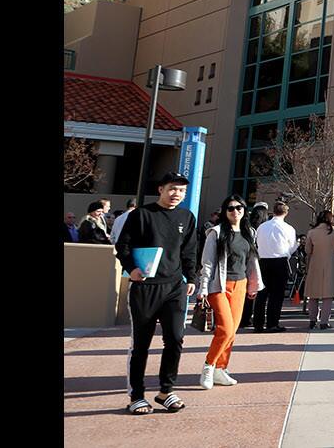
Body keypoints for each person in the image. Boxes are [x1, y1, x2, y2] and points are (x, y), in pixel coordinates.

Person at [114, 173, 198, 415]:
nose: (176, 195)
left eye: (181, 191)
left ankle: (166, 391)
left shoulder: (186, 217)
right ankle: (136, 396)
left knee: (175, 339)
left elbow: (190, 251)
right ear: (161, 189)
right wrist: (132, 269)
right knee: (141, 344)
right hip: (145, 287)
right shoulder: (141, 215)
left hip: (174, 288)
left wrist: (191, 278)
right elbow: (123, 246)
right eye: (172, 189)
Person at [197, 196, 262, 389]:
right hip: (219, 285)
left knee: (232, 332)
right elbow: (207, 262)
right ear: (225, 212)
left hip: (240, 285)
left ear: (244, 210)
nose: (235, 211)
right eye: (231, 208)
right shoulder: (216, 233)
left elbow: (251, 261)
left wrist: (253, 285)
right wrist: (202, 287)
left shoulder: (249, 232)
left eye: (239, 208)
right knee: (224, 330)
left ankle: (221, 369)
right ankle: (209, 366)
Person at [253, 201, 298, 333]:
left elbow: (257, 242)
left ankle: (258, 323)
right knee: (276, 295)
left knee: (261, 293)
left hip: (263, 261)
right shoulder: (288, 228)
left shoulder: (262, 227)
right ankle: (272, 323)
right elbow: (292, 246)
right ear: (286, 212)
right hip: (280, 260)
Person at [303, 210, 334, 330]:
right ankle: (324, 321)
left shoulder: (311, 232)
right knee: (328, 296)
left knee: (313, 295)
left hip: (315, 264)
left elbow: (307, 250)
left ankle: (312, 320)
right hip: (331, 265)